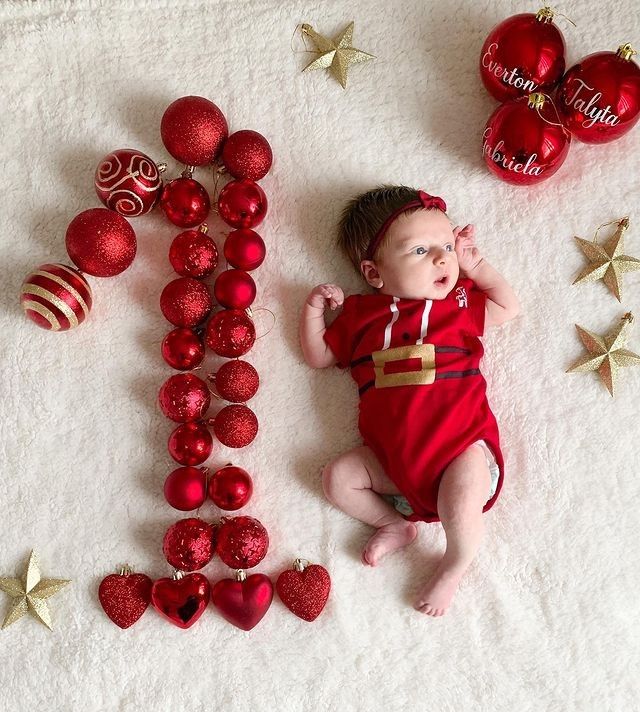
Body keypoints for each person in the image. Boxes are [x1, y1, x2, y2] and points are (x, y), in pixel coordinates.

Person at [299, 185, 520, 616]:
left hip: (462, 449)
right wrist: (311, 311)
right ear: (374, 273)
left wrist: (478, 266)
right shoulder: (360, 316)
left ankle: (455, 562)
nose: (441, 258)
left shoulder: (458, 304)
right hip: (394, 469)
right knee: (337, 478)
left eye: (446, 246)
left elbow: (507, 307)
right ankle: (392, 523)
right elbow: (320, 356)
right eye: (420, 250)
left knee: (462, 493)